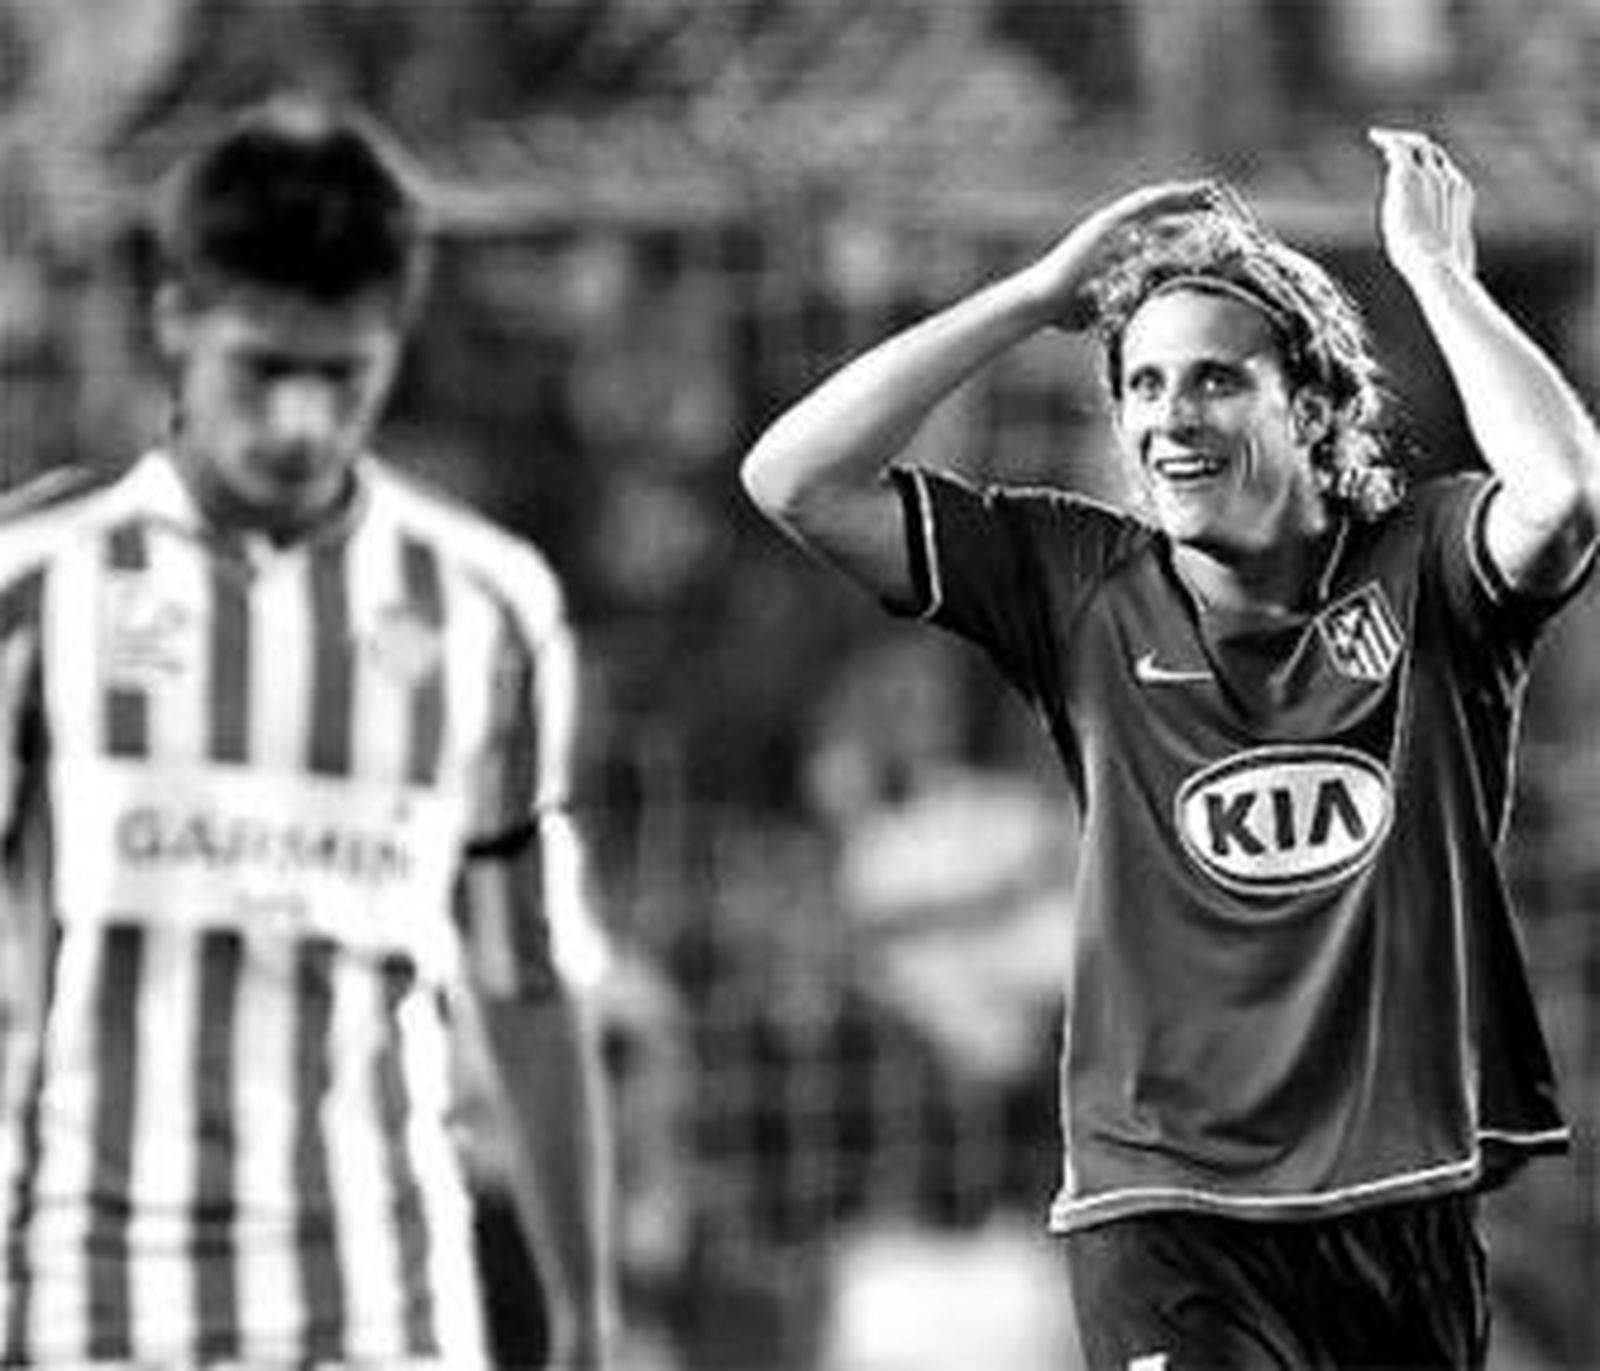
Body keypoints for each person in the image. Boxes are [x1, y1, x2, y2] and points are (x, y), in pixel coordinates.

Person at [741, 127, 1600, 1367]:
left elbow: (1566, 494)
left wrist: (1435, 277)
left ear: (1310, 407)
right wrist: (1032, 298)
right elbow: (793, 480)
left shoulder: (1427, 571)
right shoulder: (1080, 582)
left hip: (1399, 1190)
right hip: (1165, 1207)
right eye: (1141, 386)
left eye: (1211, 380)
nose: (1166, 418)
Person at [0, 96, 616, 1367]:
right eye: (262, 367)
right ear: (175, 325)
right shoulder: (36, 589)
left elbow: (525, 975)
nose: (300, 422)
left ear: (392, 341)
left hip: (382, 1294)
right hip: (81, 1293)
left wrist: (581, 1306)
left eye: (341, 375)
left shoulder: (483, 607)